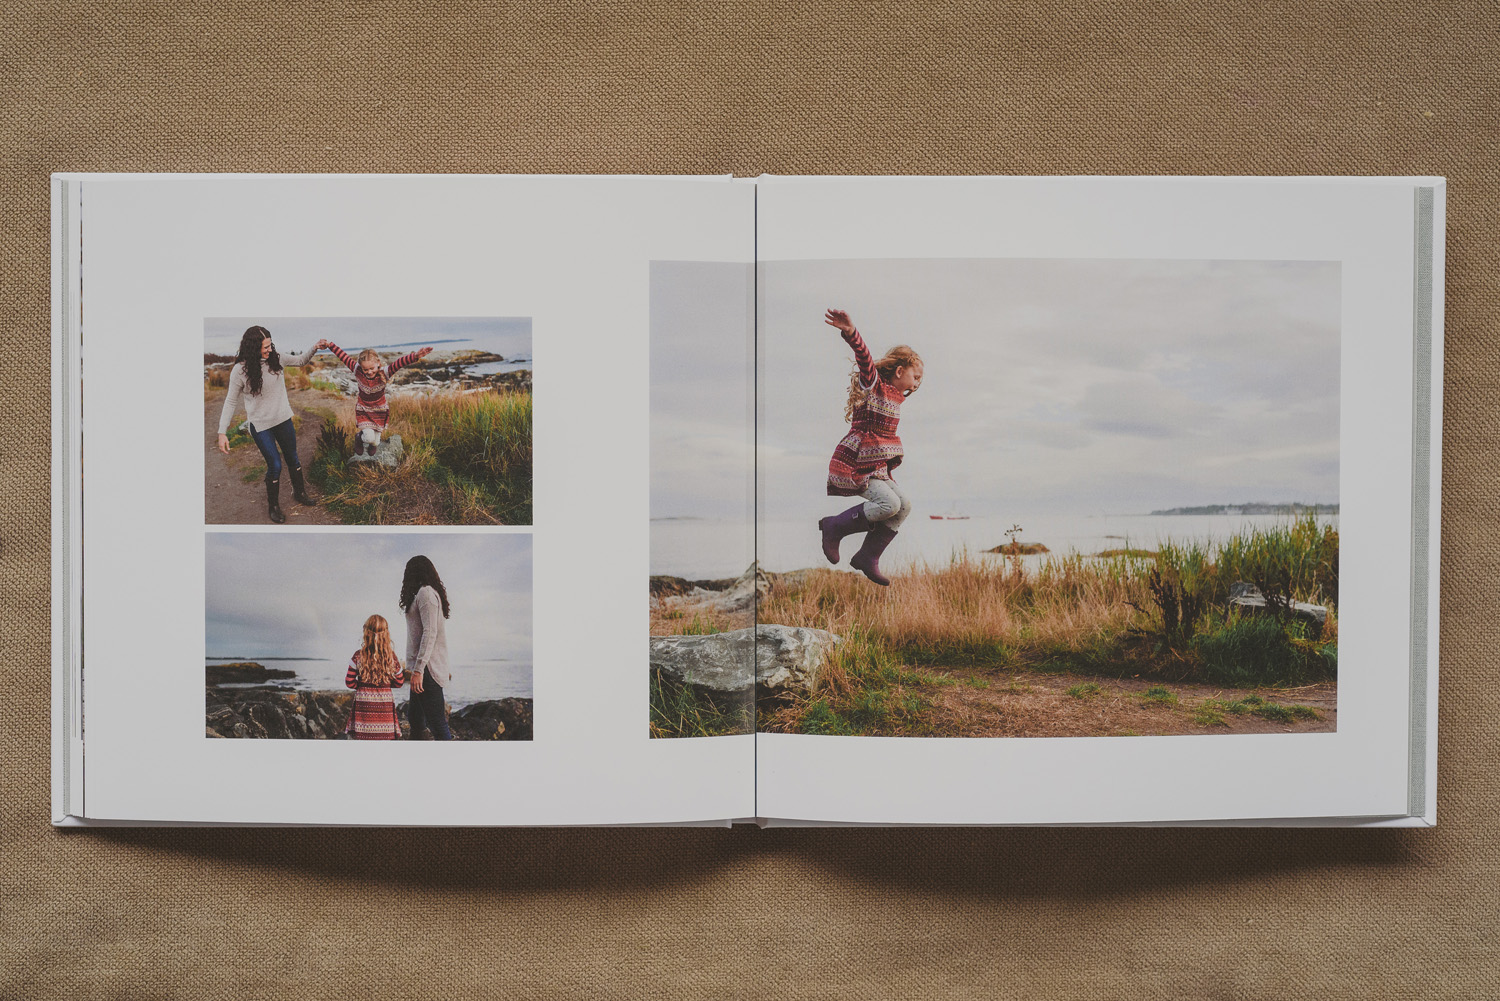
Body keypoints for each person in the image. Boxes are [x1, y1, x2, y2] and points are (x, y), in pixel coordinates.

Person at [817, 308, 924, 586]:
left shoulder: (897, 397)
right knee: (889, 503)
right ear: (899, 371)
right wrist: (851, 332)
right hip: (856, 462)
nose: (918, 382)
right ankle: (834, 526)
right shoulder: (874, 386)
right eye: (916, 375)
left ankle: (868, 555)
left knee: (904, 506)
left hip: (877, 467)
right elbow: (864, 360)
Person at [216, 325, 321, 524]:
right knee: (274, 465)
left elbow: (300, 361)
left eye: (270, 345)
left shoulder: (277, 358)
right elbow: (230, 401)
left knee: (293, 459)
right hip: (260, 425)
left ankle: (299, 493)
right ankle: (273, 506)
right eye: (264, 347)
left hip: (283, 419)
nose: (269, 350)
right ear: (252, 347)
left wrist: (315, 347)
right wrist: (222, 432)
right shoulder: (240, 370)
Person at [319, 340, 433, 457]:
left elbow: (399, 363)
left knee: (375, 441)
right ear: (361, 368)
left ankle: (373, 444)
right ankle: (359, 438)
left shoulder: (385, 373)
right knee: (368, 437)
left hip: (379, 410)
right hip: (364, 409)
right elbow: (342, 356)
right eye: (366, 370)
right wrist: (330, 345)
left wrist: (415, 356)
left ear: (378, 363)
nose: (369, 372)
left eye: (372, 368)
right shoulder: (357, 370)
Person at [400, 555, 452, 740]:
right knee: (415, 719)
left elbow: (430, 633)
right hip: (421, 670)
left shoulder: (426, 594)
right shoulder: (424, 594)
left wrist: (419, 670)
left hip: (427, 670)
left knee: (437, 724)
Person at [343, 614, 408, 740]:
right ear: (386, 634)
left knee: (363, 740)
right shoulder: (391, 657)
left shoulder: (358, 656)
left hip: (364, 704)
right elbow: (400, 682)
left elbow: (349, 682)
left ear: (366, 633)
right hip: (385, 705)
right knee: (385, 743)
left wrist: (362, 686)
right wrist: (387, 684)